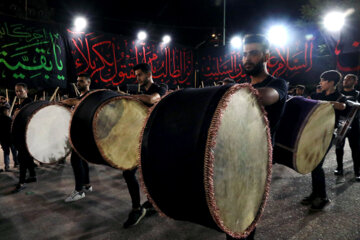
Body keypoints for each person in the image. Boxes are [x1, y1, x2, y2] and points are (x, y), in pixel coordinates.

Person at [226, 34, 288, 240]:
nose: (247, 59)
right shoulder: (240, 87)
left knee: (247, 216)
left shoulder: (278, 83)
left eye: (253, 53)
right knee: (229, 212)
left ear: (266, 56)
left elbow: (266, 96)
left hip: (258, 160)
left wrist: (233, 94)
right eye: (244, 54)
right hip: (234, 157)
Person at [122, 63, 167, 228]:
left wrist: (129, 97)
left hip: (155, 139)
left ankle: (151, 202)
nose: (137, 78)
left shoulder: (161, 87)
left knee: (150, 174)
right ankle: (137, 208)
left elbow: (152, 99)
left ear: (149, 74)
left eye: (139, 75)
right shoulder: (140, 93)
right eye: (136, 75)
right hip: (140, 138)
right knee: (128, 172)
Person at [302, 70, 346, 210]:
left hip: (327, 135)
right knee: (314, 164)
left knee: (317, 165)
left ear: (331, 82)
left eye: (323, 80)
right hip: (314, 133)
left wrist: (328, 103)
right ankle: (315, 193)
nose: (320, 83)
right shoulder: (317, 95)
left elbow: (342, 106)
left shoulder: (340, 97)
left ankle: (323, 197)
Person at [62, 74, 93, 202]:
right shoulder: (79, 97)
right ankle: (86, 184)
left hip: (85, 134)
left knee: (76, 161)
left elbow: (83, 104)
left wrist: (68, 101)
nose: (78, 83)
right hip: (78, 133)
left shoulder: (90, 96)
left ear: (88, 82)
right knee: (83, 160)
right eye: (77, 81)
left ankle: (79, 191)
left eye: (81, 81)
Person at [334, 74, 360, 181]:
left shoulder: (358, 94)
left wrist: (356, 104)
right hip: (341, 124)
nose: (346, 81)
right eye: (345, 79)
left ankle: (357, 171)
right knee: (339, 147)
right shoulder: (339, 94)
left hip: (354, 125)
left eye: (349, 79)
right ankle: (339, 168)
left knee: (356, 149)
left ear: (355, 82)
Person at [12, 83, 36, 193]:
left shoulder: (29, 103)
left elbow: (30, 117)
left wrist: (18, 114)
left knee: (22, 158)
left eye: (20, 91)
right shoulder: (19, 104)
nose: (18, 93)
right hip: (22, 134)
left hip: (28, 135)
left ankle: (21, 182)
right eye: (16, 91)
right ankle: (32, 176)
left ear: (26, 90)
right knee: (28, 157)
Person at [0, 95, 18, 170]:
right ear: (4, 111)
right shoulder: (8, 119)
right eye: (7, 111)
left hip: (3, 140)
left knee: (6, 153)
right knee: (14, 152)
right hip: (10, 139)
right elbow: (13, 129)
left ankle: (7, 166)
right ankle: (16, 163)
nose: (8, 112)